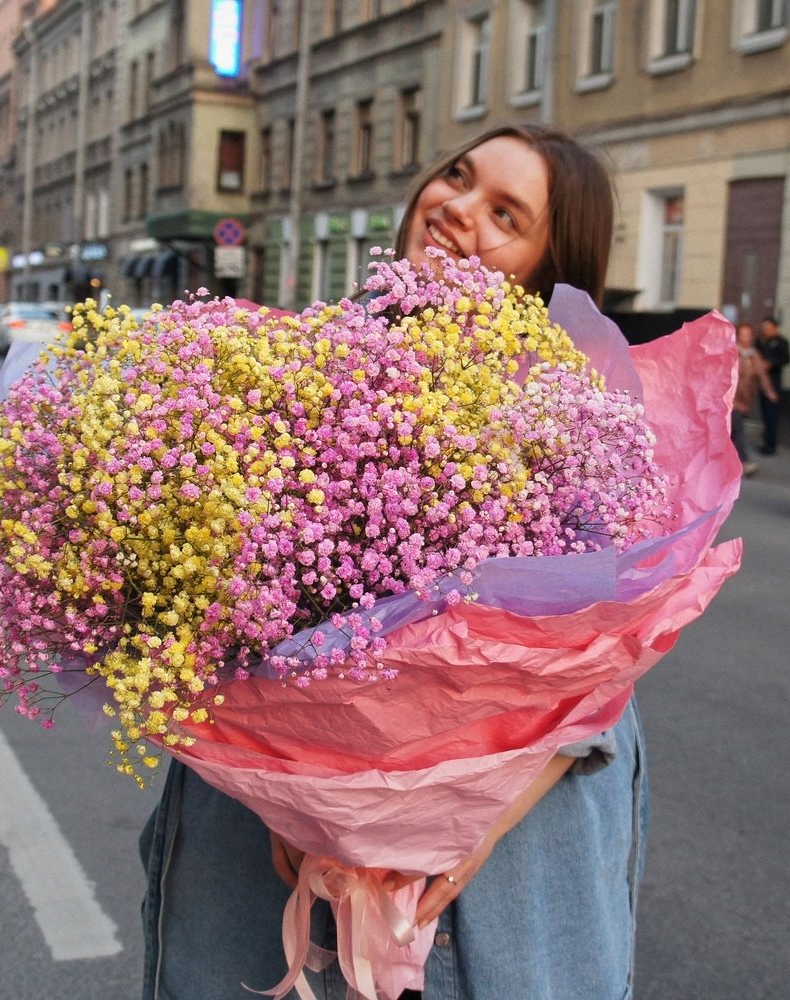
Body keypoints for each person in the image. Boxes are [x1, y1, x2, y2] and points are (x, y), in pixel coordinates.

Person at [140, 124, 646, 1000]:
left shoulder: (569, 414)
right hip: (258, 839)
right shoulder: (285, 365)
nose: (457, 210)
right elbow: (192, 590)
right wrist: (289, 793)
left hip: (482, 866)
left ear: (544, 267)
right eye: (458, 176)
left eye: (505, 213)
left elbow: (606, 653)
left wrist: (464, 821)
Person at [731, 322, 777, 476]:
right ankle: (744, 461)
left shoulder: (753, 354)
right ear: (738, 335)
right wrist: (735, 402)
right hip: (730, 399)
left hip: (745, 400)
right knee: (739, 430)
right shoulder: (731, 353)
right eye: (743, 334)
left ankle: (724, 464)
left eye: (749, 335)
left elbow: (762, 376)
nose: (746, 338)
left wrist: (769, 391)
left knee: (731, 433)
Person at [756, 315, 788, 455]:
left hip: (773, 381)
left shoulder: (781, 342)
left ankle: (771, 444)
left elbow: (785, 358)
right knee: (764, 412)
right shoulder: (761, 342)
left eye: (768, 329)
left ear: (775, 328)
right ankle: (766, 439)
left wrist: (771, 363)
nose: (765, 331)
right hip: (761, 382)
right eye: (764, 329)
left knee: (772, 414)